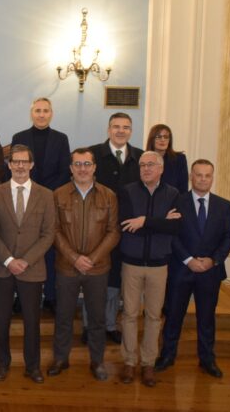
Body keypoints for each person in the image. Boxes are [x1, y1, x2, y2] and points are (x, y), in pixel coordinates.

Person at [156, 159, 230, 378]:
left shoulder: (224, 205)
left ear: (212, 177)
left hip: (210, 271)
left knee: (206, 317)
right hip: (181, 269)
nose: (203, 179)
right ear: (191, 177)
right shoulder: (177, 201)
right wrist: (189, 259)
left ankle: (207, 359)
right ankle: (167, 355)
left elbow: (229, 236)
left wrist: (213, 260)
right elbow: (171, 234)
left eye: (207, 175)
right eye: (198, 175)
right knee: (173, 315)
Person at [47, 147, 120, 382]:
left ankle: (97, 361)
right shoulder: (58, 195)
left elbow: (113, 232)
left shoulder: (108, 195)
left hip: (97, 268)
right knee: (64, 316)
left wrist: (93, 258)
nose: (82, 169)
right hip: (67, 267)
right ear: (71, 168)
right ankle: (61, 358)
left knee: (97, 318)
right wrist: (74, 258)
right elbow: (54, 230)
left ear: (94, 167)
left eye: (86, 164)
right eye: (77, 164)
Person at [0, 145, 55, 384]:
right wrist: (9, 260)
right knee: (0, 320)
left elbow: (48, 234)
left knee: (32, 322)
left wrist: (25, 260)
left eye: (24, 162)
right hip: (2, 268)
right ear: (9, 164)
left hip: (32, 269)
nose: (19, 166)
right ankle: (2, 364)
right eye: (15, 161)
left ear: (31, 165)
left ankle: (32, 366)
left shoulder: (46, 195)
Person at [117, 151, 181, 387]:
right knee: (130, 315)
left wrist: (143, 220)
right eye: (142, 165)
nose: (145, 169)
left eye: (151, 165)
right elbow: (125, 224)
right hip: (131, 263)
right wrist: (159, 222)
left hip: (159, 264)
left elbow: (175, 228)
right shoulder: (127, 191)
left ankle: (148, 363)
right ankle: (129, 361)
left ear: (161, 168)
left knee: (154, 316)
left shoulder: (173, 194)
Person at [87, 112, 143, 345]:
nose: (121, 131)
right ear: (108, 129)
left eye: (126, 127)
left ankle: (109, 324)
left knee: (114, 281)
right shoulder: (93, 155)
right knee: (93, 278)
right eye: (116, 127)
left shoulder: (140, 157)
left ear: (131, 131)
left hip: (129, 230)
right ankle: (91, 327)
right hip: (96, 228)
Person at [11, 97, 71, 312]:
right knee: (23, 245)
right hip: (23, 197)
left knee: (49, 245)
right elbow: (17, 168)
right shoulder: (19, 137)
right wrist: (31, 189)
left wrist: (43, 192)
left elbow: (65, 171)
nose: (42, 114)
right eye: (38, 110)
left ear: (51, 113)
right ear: (32, 113)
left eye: (45, 110)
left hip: (51, 199)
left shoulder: (61, 139)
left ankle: (50, 295)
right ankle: (20, 295)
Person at [145, 123, 188, 194]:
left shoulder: (179, 159)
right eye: (158, 137)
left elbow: (183, 189)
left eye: (166, 137)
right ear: (152, 139)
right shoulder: (143, 159)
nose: (162, 140)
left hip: (172, 203)